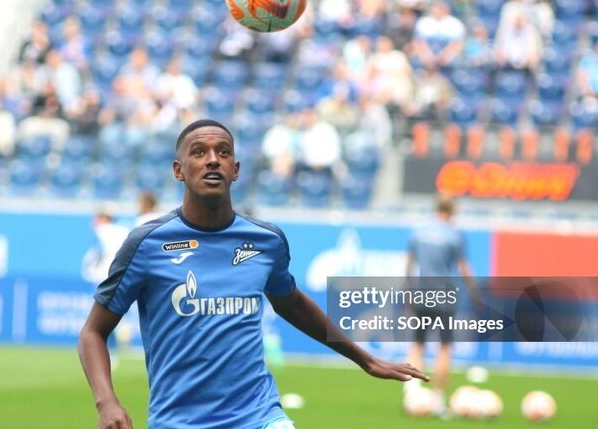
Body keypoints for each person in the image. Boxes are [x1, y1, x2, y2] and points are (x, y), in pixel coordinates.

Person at [78, 119, 428, 429]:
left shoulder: (266, 240)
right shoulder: (147, 244)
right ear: (178, 170)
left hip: (258, 415)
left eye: (223, 152)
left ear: (235, 169)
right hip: (179, 420)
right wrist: (106, 402)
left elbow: (292, 303)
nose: (212, 159)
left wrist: (365, 359)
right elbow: (93, 332)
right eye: (198, 152)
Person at [404, 195, 479, 416]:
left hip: (422, 292)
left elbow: (409, 264)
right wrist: (475, 292)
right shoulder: (455, 234)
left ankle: (412, 394)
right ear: (453, 210)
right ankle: (438, 399)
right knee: (444, 347)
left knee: (418, 344)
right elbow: (463, 267)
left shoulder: (418, 231)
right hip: (444, 295)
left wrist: (407, 290)